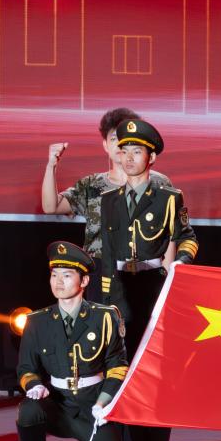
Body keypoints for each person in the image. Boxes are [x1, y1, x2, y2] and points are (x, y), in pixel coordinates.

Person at [100, 118, 199, 441]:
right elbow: (107, 253)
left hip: (156, 288)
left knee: (155, 376)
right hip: (122, 291)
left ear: (151, 157)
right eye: (123, 150)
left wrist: (180, 262)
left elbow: (188, 237)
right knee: (125, 375)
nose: (128, 158)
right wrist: (109, 302)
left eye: (136, 151)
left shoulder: (169, 198)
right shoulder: (108, 200)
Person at [14, 241, 129, 441]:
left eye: (66, 275)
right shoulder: (37, 322)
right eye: (54, 275)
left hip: (93, 405)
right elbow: (26, 368)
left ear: (84, 281)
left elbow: (118, 366)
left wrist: (104, 402)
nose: (58, 282)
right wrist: (35, 385)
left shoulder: (104, 317)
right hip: (58, 404)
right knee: (28, 411)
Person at [41, 108, 173, 301]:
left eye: (125, 139)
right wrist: (51, 165)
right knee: (104, 320)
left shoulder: (159, 183)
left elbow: (171, 231)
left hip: (147, 270)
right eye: (113, 139)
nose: (120, 144)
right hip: (101, 270)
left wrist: (167, 272)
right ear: (105, 145)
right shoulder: (91, 185)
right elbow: (51, 207)